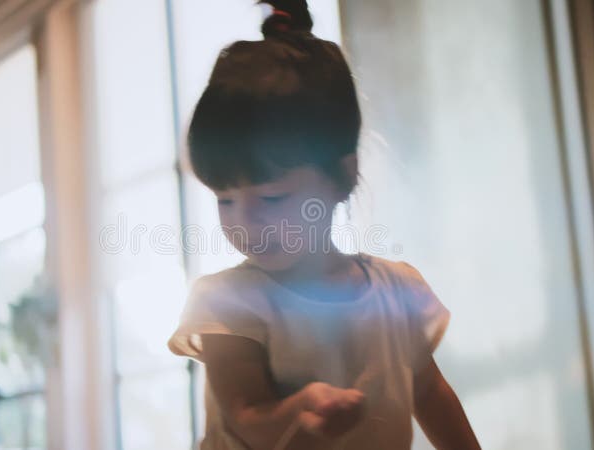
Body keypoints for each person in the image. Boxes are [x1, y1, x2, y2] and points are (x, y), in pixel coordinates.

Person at [167, 1, 481, 448]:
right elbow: (243, 416)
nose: (245, 220)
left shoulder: (399, 293)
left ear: (344, 175)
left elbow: (429, 392)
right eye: (225, 199)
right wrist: (296, 410)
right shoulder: (227, 302)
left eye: (272, 196)